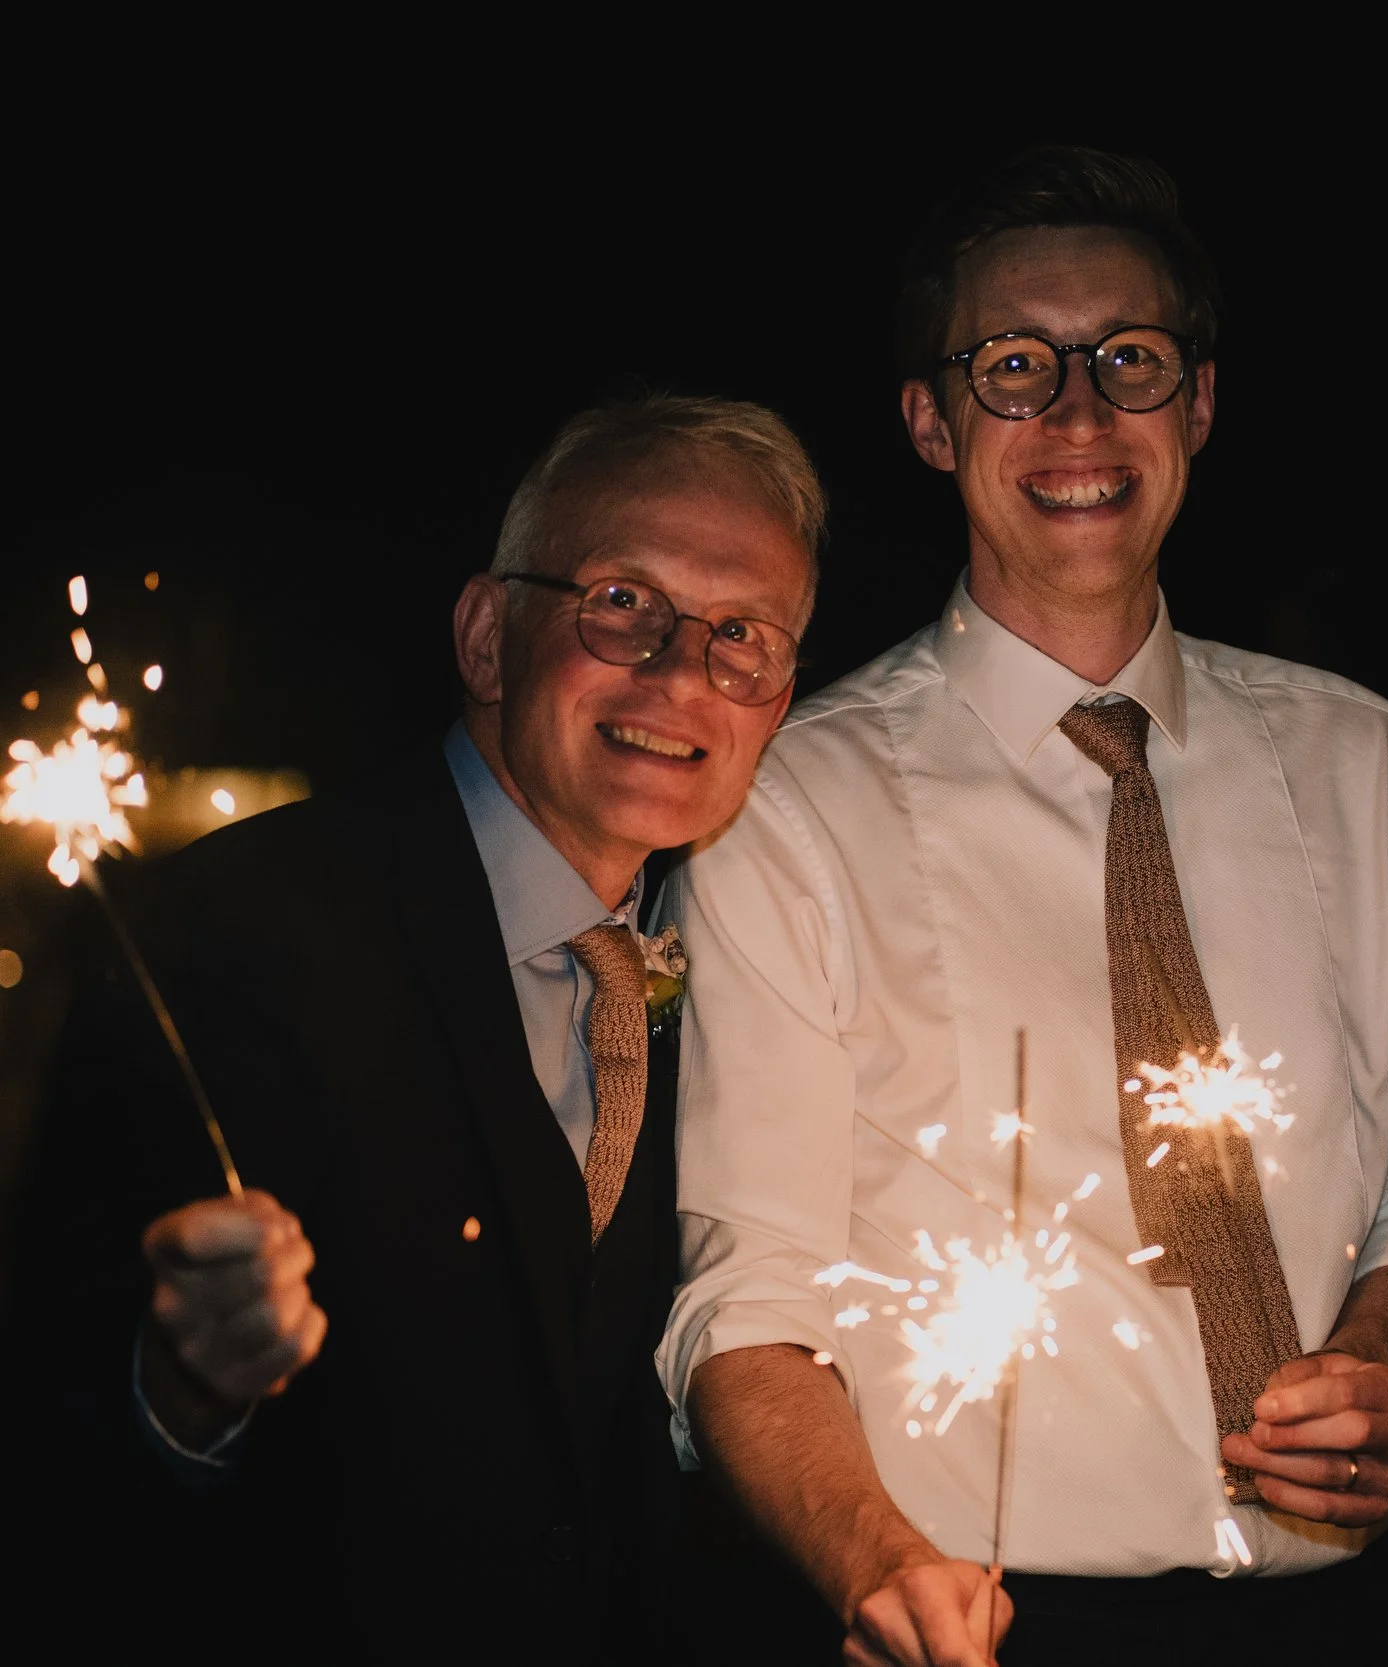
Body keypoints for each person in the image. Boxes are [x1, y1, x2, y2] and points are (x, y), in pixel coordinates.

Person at [659, 147, 1388, 1667]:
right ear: (931, 421)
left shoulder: (1372, 763)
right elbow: (751, 1290)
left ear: (1198, 404)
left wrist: (1385, 1360)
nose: (1076, 416)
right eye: (1012, 367)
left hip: (1366, 1608)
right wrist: (877, 1565)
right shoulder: (792, 807)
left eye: (1129, 360)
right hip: (981, 1618)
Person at [18, 395, 821, 1661]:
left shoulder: (753, 961)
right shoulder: (227, 925)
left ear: (776, 704)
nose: (678, 673)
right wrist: (184, 1387)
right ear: (489, 633)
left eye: (743, 636)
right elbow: (54, 1421)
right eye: (621, 602)